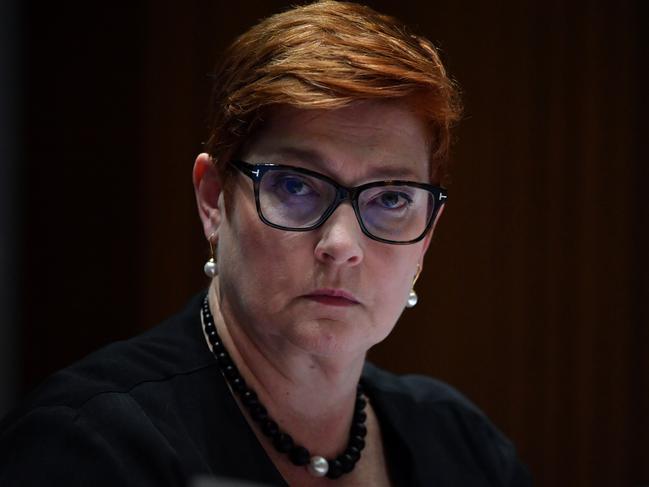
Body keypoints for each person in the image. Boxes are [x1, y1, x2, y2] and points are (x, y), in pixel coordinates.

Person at [0, 1, 531, 485]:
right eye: (295, 185)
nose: (341, 243)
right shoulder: (84, 445)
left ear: (427, 237)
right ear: (213, 200)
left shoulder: (467, 448)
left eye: (391, 199)